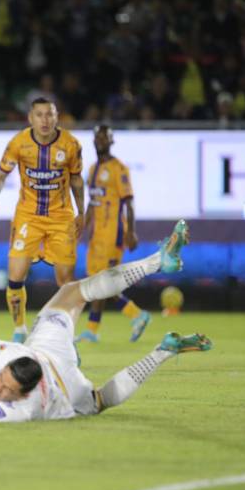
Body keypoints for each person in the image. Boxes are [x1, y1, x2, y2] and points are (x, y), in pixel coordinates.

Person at [0, 220, 210, 427]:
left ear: (22, 394)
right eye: (3, 379)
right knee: (97, 395)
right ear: (9, 363)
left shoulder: (21, 410)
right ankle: (164, 346)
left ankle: (158, 267)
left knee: (98, 394)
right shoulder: (3, 353)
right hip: (54, 365)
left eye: (6, 389)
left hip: (57, 378)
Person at [0, 97, 85, 343]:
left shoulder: (71, 145)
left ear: (57, 117)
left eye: (49, 114)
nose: (45, 120)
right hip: (28, 216)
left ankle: (64, 337)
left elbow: (76, 180)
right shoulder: (19, 143)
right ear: (31, 118)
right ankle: (20, 330)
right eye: (39, 115)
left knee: (65, 282)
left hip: (61, 218)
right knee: (15, 276)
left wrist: (82, 211)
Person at [77, 125, 150, 344]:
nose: (100, 140)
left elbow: (129, 202)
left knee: (103, 283)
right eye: (97, 137)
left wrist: (132, 232)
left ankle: (136, 314)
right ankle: (92, 330)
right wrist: (83, 226)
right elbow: (93, 202)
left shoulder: (119, 169)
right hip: (96, 235)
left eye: (104, 137)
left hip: (114, 234)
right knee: (96, 282)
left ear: (111, 141)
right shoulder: (92, 169)